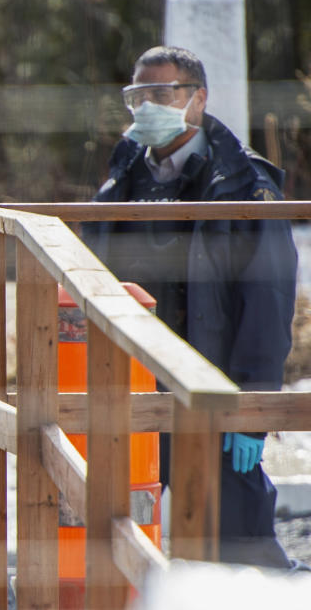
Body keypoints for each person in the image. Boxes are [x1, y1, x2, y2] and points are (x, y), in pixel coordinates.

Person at [83, 46, 299, 568]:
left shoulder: (244, 185)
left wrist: (252, 410)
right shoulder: (124, 177)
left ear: (198, 99)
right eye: (138, 95)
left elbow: (267, 305)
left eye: (163, 93)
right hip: (134, 390)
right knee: (128, 540)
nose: (147, 106)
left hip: (213, 392)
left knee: (240, 543)